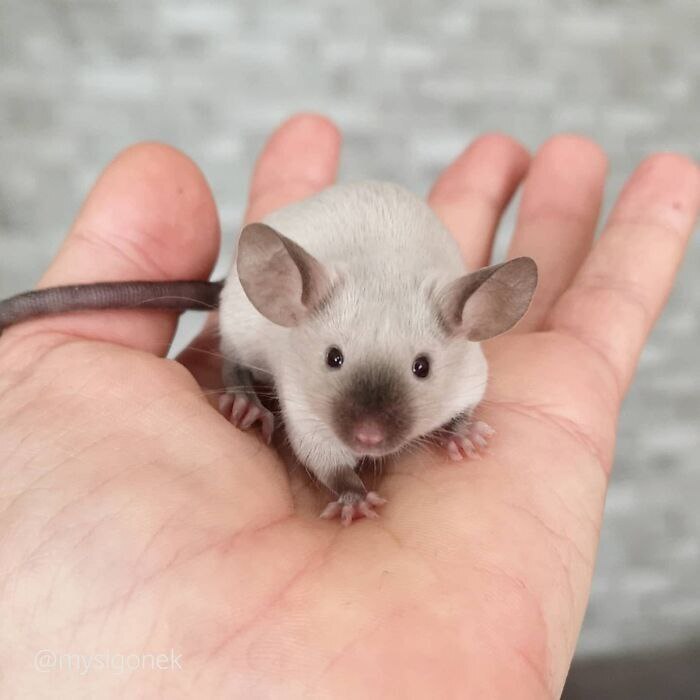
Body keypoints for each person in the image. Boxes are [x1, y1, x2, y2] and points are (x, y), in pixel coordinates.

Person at [0, 113, 697, 698]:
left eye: (420, 370)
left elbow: (464, 388)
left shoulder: (461, 358)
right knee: (241, 324)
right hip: (314, 260)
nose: (368, 429)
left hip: (388, 260)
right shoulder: (302, 317)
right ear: (297, 305)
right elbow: (316, 431)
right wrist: (342, 482)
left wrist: (456, 422)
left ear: (468, 325)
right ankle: (239, 378)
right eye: (336, 361)